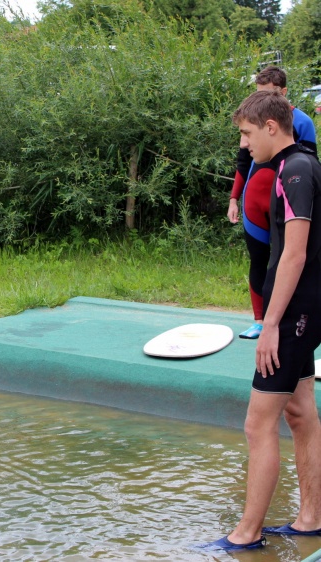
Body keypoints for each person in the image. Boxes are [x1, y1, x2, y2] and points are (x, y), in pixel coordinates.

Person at [202, 90, 321, 552]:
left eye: (248, 134)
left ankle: (246, 535)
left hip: (293, 314)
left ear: (271, 126)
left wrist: (269, 323)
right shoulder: (306, 163)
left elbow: (293, 253)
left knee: (258, 424)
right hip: (306, 309)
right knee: (300, 410)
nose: (245, 145)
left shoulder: (293, 170)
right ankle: (311, 517)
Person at [228, 66, 317, 340]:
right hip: (256, 198)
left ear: (283, 93)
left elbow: (306, 163)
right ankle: (260, 319)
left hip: (285, 195)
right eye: (259, 94)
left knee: (287, 255)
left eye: (270, 95)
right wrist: (233, 198)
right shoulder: (252, 126)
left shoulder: (300, 126)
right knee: (260, 259)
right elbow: (244, 161)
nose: (263, 102)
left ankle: (279, 321)